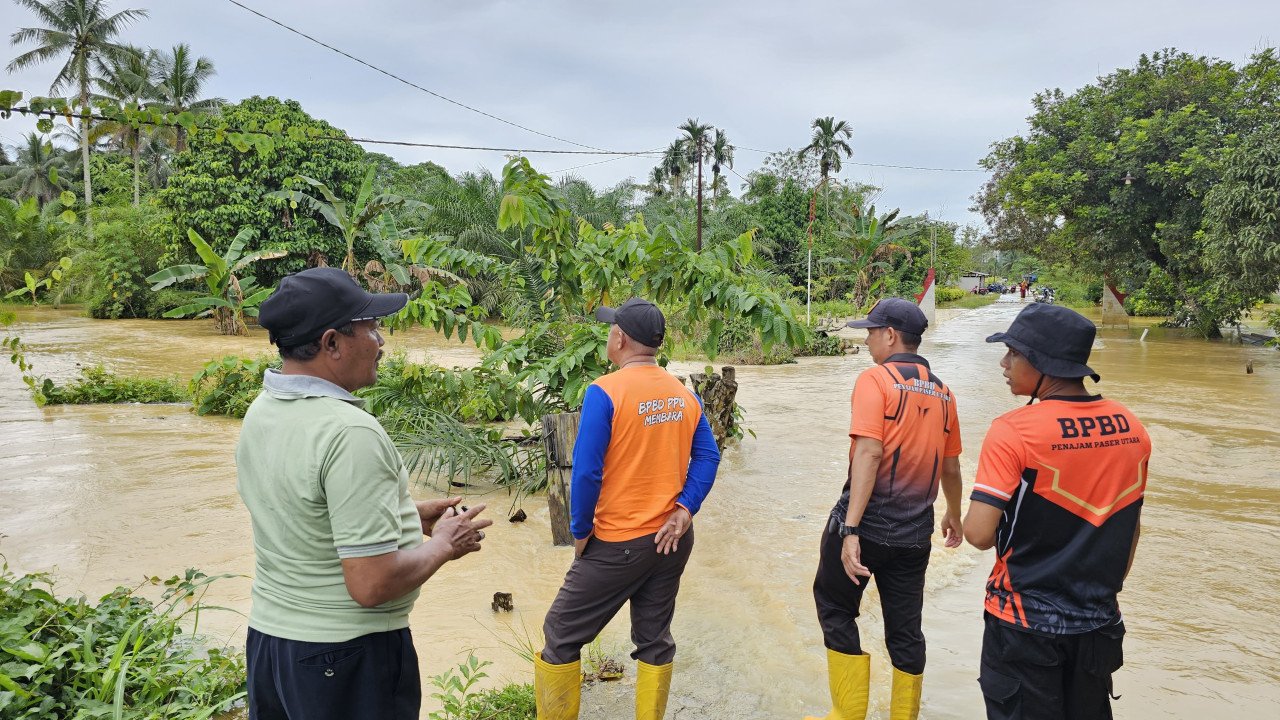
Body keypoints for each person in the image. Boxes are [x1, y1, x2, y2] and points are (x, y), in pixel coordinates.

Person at [238, 267, 492, 720]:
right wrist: (444, 544)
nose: (381, 341)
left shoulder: (263, 410)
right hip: (344, 658)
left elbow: (302, 512)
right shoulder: (350, 431)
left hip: (272, 647)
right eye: (371, 328)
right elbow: (371, 585)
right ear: (331, 343)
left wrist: (406, 515)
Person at [963, 303, 1151, 720]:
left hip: (1022, 627)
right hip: (1099, 625)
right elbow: (1132, 527)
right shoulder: (1131, 427)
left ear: (1043, 363)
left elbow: (977, 535)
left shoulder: (1014, 431)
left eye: (1014, 352)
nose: (1004, 362)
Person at [535, 298, 721, 720]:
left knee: (560, 633)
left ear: (618, 337)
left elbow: (585, 473)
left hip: (618, 540)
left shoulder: (605, 391)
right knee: (654, 637)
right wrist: (685, 509)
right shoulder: (684, 394)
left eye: (610, 330)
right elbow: (708, 457)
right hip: (672, 539)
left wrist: (579, 532)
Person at [807, 297, 964, 720]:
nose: (868, 339)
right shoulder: (944, 392)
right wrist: (954, 512)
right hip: (915, 536)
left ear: (891, 335)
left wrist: (850, 530)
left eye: (872, 332)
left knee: (836, 608)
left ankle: (847, 714)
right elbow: (950, 464)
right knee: (906, 629)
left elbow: (870, 454)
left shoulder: (875, 381)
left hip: (867, 526)